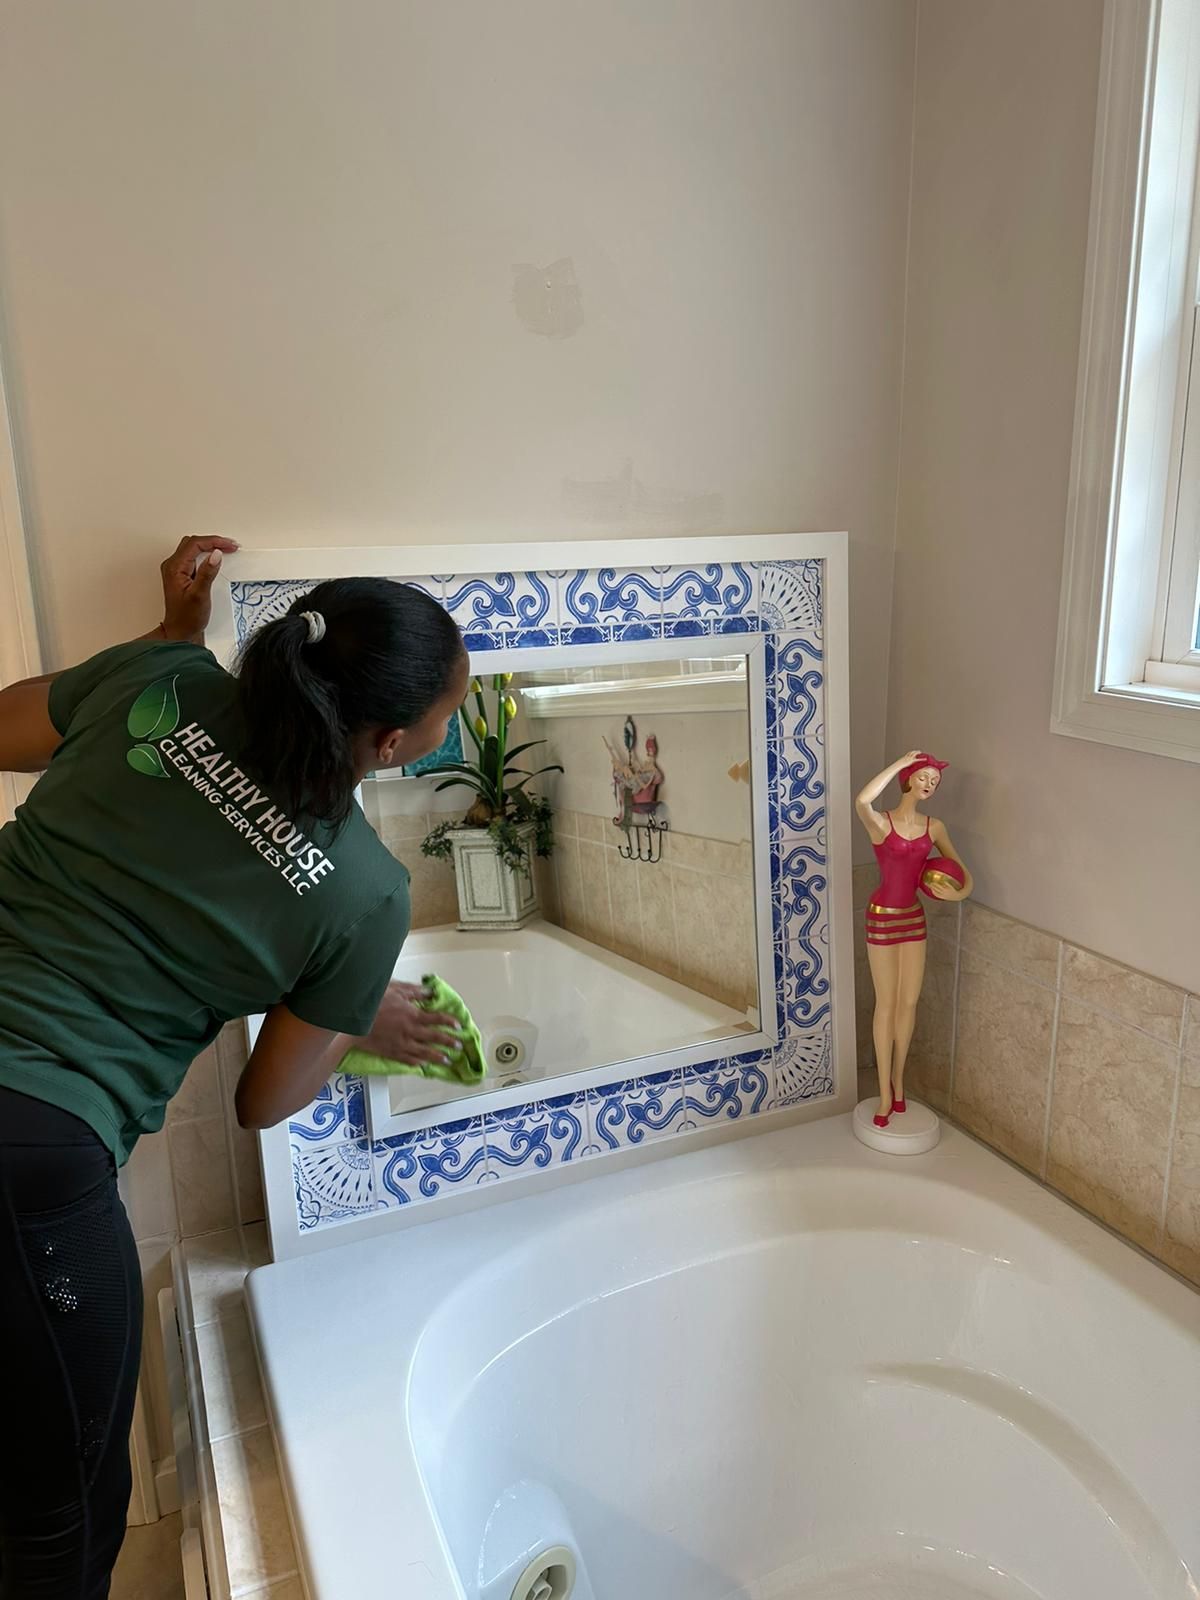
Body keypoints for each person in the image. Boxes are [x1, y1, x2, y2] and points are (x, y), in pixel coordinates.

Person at [0, 538, 470, 1598]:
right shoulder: (362, 893)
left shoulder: (158, 683)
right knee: (58, 1517)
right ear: (392, 743)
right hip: (31, 1150)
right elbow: (267, 1099)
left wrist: (170, 645)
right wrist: (346, 1018)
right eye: (448, 715)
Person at [854, 750, 973, 1127]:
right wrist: (898, 763)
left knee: (909, 1001)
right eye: (923, 777)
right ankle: (884, 1094)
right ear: (907, 778)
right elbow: (862, 800)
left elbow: (964, 877)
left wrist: (957, 892)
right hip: (882, 919)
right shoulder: (881, 825)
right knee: (886, 1003)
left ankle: (899, 1083)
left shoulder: (934, 827)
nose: (929, 785)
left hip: (913, 919)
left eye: (934, 782)